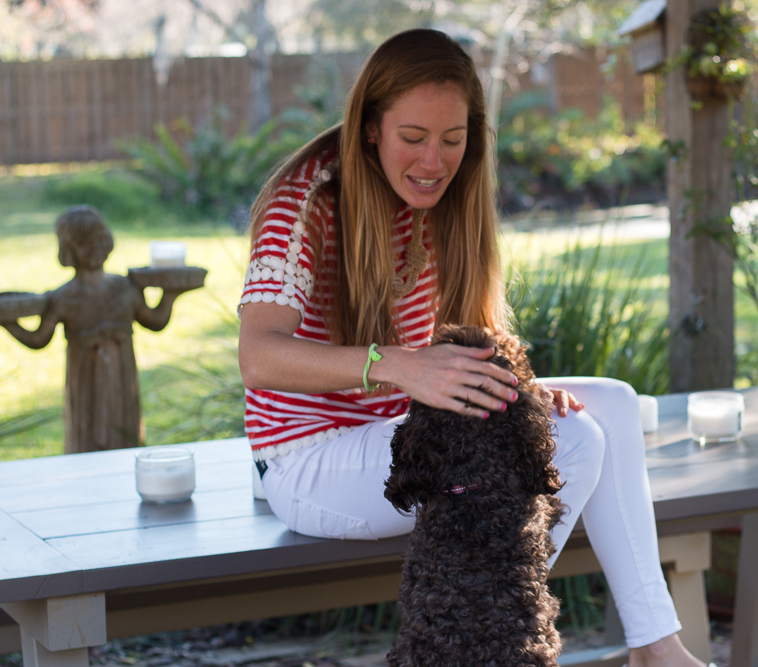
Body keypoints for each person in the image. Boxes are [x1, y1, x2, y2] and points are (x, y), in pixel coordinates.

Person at [237, 29, 705, 667]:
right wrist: (397, 366)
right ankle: (495, 647)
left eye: (452, 141)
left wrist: (517, 390)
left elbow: (472, 338)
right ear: (371, 127)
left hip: (409, 431)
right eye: (413, 138)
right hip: (308, 462)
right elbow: (259, 356)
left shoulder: (447, 199)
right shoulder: (308, 204)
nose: (433, 162)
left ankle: (657, 649)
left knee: (611, 408)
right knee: (575, 441)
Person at [0, 206, 193, 453]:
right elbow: (40, 338)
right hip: (85, 380)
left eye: (100, 240)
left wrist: (170, 295)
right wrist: (9, 322)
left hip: (122, 378)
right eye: (85, 243)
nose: (96, 248)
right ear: (69, 251)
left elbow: (154, 321)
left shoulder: (124, 288)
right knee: (85, 428)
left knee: (125, 427)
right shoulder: (65, 297)